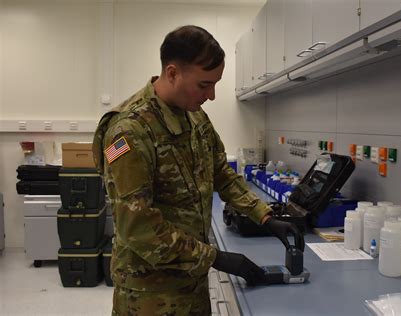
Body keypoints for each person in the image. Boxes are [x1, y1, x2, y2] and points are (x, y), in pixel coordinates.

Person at [92, 25, 304, 315]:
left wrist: (265, 216)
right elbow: (137, 228)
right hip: (149, 293)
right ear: (172, 73)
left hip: (192, 281)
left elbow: (220, 172)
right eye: (204, 85)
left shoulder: (194, 116)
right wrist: (215, 258)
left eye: (215, 84)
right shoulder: (128, 131)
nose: (212, 95)